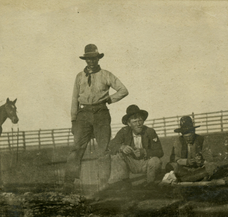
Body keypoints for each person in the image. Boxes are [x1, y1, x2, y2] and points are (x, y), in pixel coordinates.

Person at [66, 44, 129, 184]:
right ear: (85, 60)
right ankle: (70, 181)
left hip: (101, 114)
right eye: (88, 59)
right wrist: (73, 120)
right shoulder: (79, 77)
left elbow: (123, 90)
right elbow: (74, 99)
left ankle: (103, 183)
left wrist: (110, 99)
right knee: (77, 148)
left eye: (94, 58)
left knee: (103, 149)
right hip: (83, 114)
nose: (91, 61)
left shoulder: (106, 75)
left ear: (98, 59)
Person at [108, 105, 164, 188]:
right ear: (129, 123)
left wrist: (144, 152)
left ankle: (150, 183)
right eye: (134, 122)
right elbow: (111, 144)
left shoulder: (150, 131)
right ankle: (124, 183)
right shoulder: (124, 131)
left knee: (155, 160)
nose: (138, 124)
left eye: (140, 120)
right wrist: (122, 147)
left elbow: (160, 151)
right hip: (131, 163)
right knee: (117, 157)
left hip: (146, 163)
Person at [165, 116, 228, 182]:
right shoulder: (178, 142)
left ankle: (183, 179)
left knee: (212, 166)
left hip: (198, 169)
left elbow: (208, 157)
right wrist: (187, 162)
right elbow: (176, 159)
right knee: (171, 166)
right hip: (183, 170)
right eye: (186, 136)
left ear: (194, 131)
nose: (188, 139)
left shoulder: (201, 140)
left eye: (190, 136)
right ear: (182, 134)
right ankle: (198, 178)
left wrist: (201, 161)